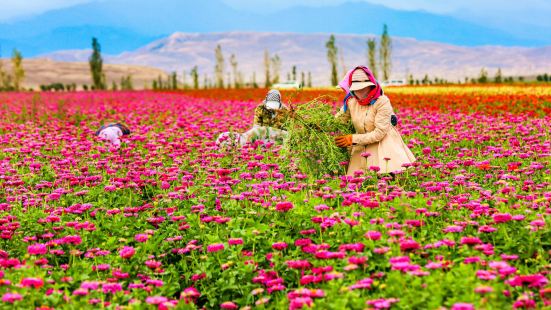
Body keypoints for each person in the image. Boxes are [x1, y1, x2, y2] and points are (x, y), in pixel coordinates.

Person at [334, 66, 416, 176]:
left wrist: (352, 139)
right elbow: (338, 120)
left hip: (383, 146)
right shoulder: (351, 102)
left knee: (384, 179)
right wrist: (319, 125)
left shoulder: (381, 101)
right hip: (361, 146)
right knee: (359, 183)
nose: (359, 91)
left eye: (363, 88)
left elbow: (379, 133)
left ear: (371, 86)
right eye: (356, 89)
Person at [216, 89, 290, 146]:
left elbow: (288, 128)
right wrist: (259, 135)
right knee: (250, 137)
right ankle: (237, 140)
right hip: (262, 133)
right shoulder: (260, 108)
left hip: (278, 135)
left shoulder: (285, 111)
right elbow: (257, 126)